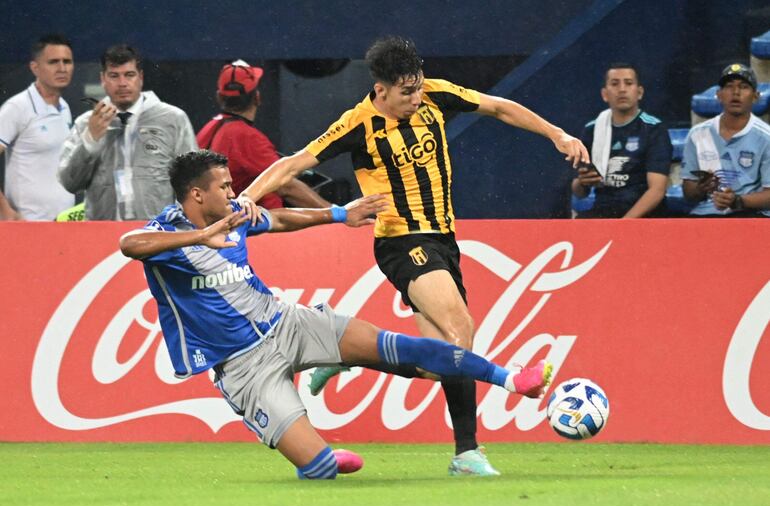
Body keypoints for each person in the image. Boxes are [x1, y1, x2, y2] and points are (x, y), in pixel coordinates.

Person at [237, 36, 585, 476]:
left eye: (418, 88)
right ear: (380, 90)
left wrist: (556, 133)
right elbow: (290, 164)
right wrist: (246, 199)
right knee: (462, 329)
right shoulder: (356, 124)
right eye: (406, 92)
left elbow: (498, 107)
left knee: (441, 360)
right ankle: (469, 450)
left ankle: (350, 357)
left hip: (444, 240)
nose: (416, 98)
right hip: (402, 243)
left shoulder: (435, 94)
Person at [118, 149, 552, 480]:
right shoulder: (166, 233)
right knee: (321, 468)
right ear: (197, 194)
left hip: (286, 323)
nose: (234, 194)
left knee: (396, 348)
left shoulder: (235, 216)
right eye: (225, 187)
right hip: (242, 367)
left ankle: (511, 379)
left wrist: (340, 214)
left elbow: (281, 219)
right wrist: (203, 235)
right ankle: (315, 455)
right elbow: (129, 244)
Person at [58, 44, 197, 220]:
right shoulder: (86, 123)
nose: (122, 83)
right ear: (103, 79)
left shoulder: (173, 119)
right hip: (101, 235)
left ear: (141, 77)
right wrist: (90, 139)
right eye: (114, 76)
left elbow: (193, 182)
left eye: (129, 75)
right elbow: (69, 183)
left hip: (157, 235)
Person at [197, 60, 330, 209]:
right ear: (257, 97)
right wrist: (336, 213)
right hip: (257, 227)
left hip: (225, 223)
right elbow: (287, 187)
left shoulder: (207, 129)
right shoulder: (246, 137)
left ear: (219, 97)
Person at [571, 63, 673, 218]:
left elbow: (656, 190)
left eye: (629, 83)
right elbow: (579, 192)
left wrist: (623, 225)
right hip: (604, 210)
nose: (622, 89)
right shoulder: (591, 130)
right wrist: (582, 182)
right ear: (605, 94)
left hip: (645, 214)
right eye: (614, 84)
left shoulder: (654, 129)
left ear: (639, 92)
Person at [0, 34, 75, 220]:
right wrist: (5, 211)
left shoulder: (64, 107)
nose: (62, 68)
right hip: (27, 227)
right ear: (35, 68)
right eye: (53, 62)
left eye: (67, 61)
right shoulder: (17, 108)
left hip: (64, 224)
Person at [681, 63, 770, 217]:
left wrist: (737, 201)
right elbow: (688, 192)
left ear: (755, 97)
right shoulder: (697, 134)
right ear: (719, 95)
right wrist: (701, 188)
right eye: (729, 87)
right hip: (705, 214)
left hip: (749, 214)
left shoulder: (766, 137)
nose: (736, 93)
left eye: (743, 87)